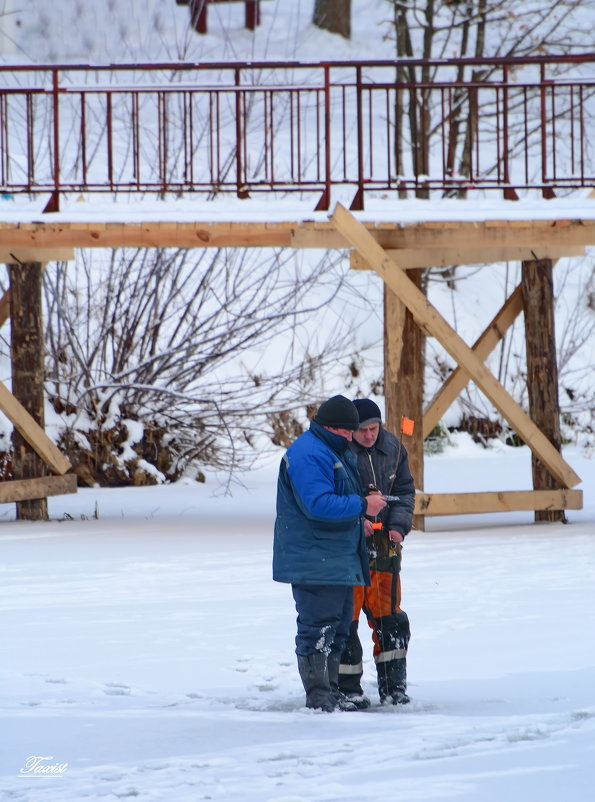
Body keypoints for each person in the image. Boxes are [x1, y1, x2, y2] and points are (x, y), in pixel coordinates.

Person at [273, 394, 387, 712]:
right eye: (349, 431)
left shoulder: (330, 449)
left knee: (337, 627)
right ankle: (319, 696)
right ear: (334, 428)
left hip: (336, 557)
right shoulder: (309, 454)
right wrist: (363, 505)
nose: (354, 437)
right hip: (315, 559)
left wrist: (358, 519)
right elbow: (318, 504)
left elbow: (336, 497)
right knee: (318, 628)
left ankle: (331, 691)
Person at [339, 398, 415, 707]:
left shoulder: (395, 449)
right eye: (362, 430)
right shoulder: (340, 453)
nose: (369, 435)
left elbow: (406, 492)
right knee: (347, 620)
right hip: (351, 548)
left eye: (373, 428)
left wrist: (399, 525)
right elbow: (335, 498)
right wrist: (358, 523)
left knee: (390, 620)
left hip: (387, 548)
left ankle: (393, 688)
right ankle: (348, 689)